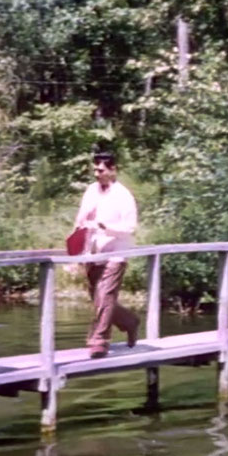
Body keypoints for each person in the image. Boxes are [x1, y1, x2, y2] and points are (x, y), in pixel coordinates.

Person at [73, 151, 140, 359]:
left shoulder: (123, 195)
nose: (96, 174)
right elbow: (81, 219)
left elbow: (130, 227)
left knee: (106, 296)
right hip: (93, 252)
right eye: (94, 169)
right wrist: (74, 251)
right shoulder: (91, 191)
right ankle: (129, 321)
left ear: (113, 170)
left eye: (101, 170)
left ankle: (99, 342)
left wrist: (106, 227)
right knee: (97, 298)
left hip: (116, 252)